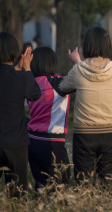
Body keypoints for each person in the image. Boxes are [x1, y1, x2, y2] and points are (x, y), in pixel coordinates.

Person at [0, 32, 41, 194]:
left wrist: (21, 70)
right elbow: (35, 94)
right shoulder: (22, 78)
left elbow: (5, 77)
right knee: (18, 192)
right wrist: (26, 68)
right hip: (16, 144)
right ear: (14, 52)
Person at [59, 26, 112, 181]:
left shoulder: (78, 70)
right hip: (111, 132)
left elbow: (62, 87)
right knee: (109, 183)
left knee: (84, 182)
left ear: (86, 45)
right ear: (107, 45)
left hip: (84, 133)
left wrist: (77, 62)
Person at [27, 47, 71, 188]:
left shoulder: (30, 83)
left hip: (32, 140)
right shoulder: (58, 83)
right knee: (62, 188)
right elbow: (81, 79)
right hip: (53, 142)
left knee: (40, 186)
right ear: (52, 63)